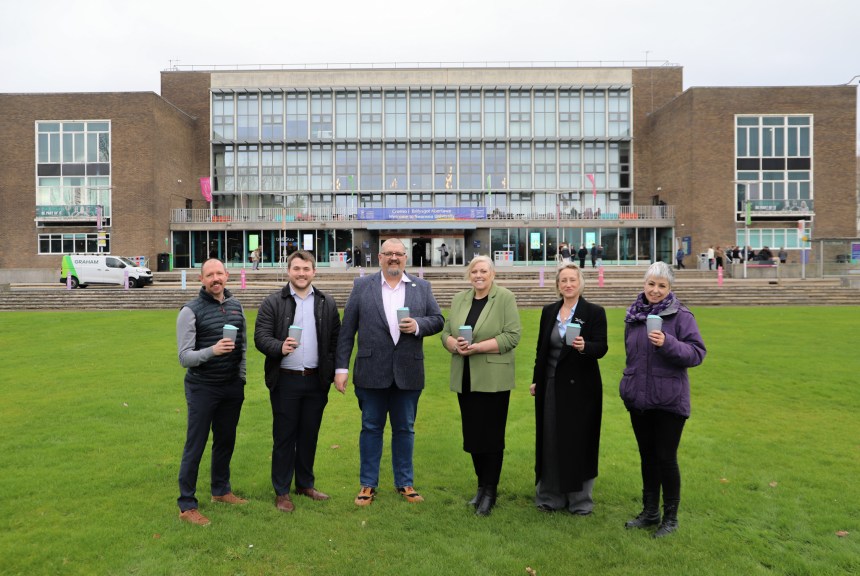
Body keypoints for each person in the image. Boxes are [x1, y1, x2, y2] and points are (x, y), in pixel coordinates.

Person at [335, 239, 444, 506]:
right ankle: (367, 484)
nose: (393, 258)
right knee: (371, 428)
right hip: (371, 371)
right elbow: (347, 331)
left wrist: (418, 325)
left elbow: (438, 320)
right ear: (380, 257)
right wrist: (341, 368)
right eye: (388, 254)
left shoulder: (422, 287)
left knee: (405, 429)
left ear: (406, 258)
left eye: (398, 254)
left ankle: (405, 483)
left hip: (408, 372)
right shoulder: (362, 286)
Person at [620, 262, 706, 538]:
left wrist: (667, 343)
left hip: (669, 400)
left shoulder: (681, 316)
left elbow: (696, 354)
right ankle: (649, 512)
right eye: (651, 284)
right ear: (643, 284)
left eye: (662, 285)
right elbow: (631, 355)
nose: (655, 290)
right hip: (639, 398)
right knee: (647, 457)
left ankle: (670, 518)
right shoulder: (633, 316)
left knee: (665, 458)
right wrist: (628, 384)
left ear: (669, 288)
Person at [254, 250, 341, 513]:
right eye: (296, 269)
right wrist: (280, 346)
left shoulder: (326, 302)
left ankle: (305, 484)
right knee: (284, 437)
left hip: (316, 381)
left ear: (314, 271)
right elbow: (260, 337)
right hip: (286, 381)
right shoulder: (273, 302)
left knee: (309, 436)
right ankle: (282, 491)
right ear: (288, 271)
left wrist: (337, 371)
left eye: (306, 269)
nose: (301, 273)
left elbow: (336, 342)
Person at [441, 256, 521, 516]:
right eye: (474, 271)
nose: (478, 275)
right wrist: (455, 345)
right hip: (465, 377)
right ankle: (480, 487)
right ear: (469, 275)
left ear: (492, 274)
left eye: (483, 271)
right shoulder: (459, 299)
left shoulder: (505, 298)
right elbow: (445, 333)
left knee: (491, 437)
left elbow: (512, 336)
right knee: (473, 437)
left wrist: (477, 347)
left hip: (493, 379)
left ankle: (491, 491)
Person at [176, 258, 248, 526]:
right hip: (202, 387)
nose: (215, 278)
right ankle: (187, 504)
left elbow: (242, 348)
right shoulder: (189, 311)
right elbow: (184, 357)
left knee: (225, 441)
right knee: (195, 444)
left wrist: (240, 380)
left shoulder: (236, 306)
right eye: (210, 275)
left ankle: (221, 491)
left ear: (227, 276)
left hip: (231, 387)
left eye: (219, 273)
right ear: (201, 279)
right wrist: (212, 351)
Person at [530, 263, 607, 515]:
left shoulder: (594, 312)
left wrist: (585, 346)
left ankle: (579, 501)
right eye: (563, 280)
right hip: (550, 385)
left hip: (581, 390)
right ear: (558, 284)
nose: (568, 284)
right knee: (550, 439)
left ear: (580, 283)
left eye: (572, 279)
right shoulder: (549, 311)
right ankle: (550, 497)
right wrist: (536, 379)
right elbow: (541, 350)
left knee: (579, 442)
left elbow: (602, 348)